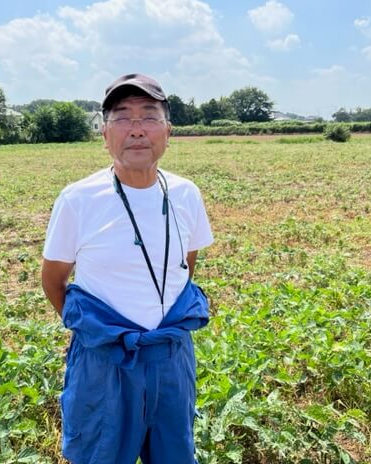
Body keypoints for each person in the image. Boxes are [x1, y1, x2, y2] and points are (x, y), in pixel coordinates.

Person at [41, 73, 213, 464]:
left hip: (171, 358)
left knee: (174, 454)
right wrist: (101, 334)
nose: (137, 129)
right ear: (104, 134)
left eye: (149, 116)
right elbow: (54, 280)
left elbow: (185, 268)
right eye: (123, 117)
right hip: (106, 363)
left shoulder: (186, 194)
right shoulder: (78, 199)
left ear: (168, 131)